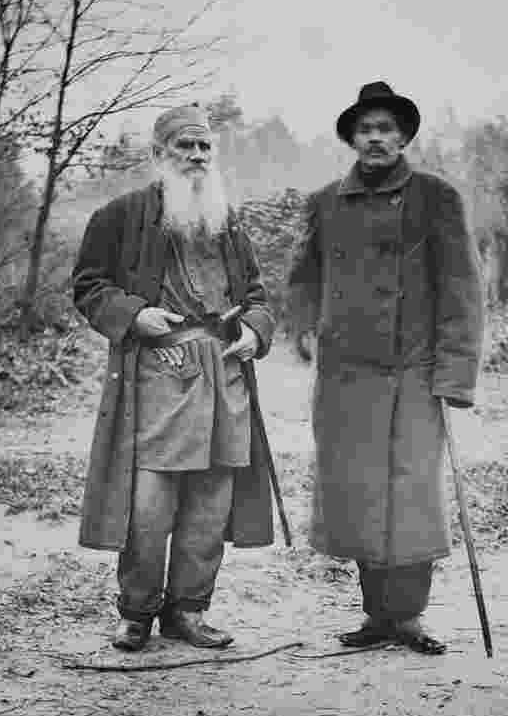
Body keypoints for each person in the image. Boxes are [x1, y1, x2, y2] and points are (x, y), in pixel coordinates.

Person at [287, 81, 485, 655]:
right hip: (346, 378)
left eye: (386, 129)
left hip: (415, 376)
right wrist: (302, 326)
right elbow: (305, 273)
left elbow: (462, 290)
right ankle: (377, 616)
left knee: (411, 495)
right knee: (358, 495)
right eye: (366, 129)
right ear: (352, 137)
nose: (375, 139)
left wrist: (454, 374)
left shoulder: (436, 198)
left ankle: (408, 618)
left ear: (403, 137)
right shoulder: (324, 201)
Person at [72, 104, 276, 652]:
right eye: (184, 146)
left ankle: (189, 610)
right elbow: (89, 288)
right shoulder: (121, 216)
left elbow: (256, 295)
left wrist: (256, 330)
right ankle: (137, 611)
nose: (196, 156)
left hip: (224, 376)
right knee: (150, 505)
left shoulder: (228, 221)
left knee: (211, 504)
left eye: (204, 147)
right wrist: (135, 315)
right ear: (159, 154)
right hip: (158, 375)